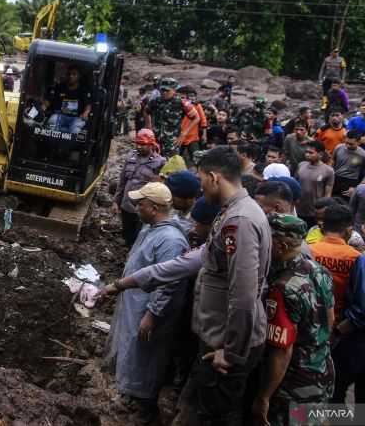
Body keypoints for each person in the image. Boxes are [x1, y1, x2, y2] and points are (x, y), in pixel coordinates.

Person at [106, 146, 272, 425]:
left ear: (215, 177)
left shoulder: (240, 221)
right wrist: (127, 282)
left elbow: (244, 295)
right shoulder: (232, 212)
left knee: (216, 415)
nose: (199, 188)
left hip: (225, 345)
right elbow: (192, 260)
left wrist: (230, 352)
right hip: (218, 338)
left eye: (201, 179)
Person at [105, 182, 188, 424]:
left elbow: (169, 284)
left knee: (146, 357)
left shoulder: (170, 240)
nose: (135, 207)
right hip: (135, 305)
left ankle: (144, 406)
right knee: (133, 352)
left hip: (146, 310)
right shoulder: (151, 228)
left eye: (140, 204)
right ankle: (132, 393)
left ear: (153, 208)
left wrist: (152, 314)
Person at [251, 214, 335, 426]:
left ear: (280, 245)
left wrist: (264, 397)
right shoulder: (319, 270)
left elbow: (281, 351)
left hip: (293, 384)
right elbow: (330, 318)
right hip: (322, 368)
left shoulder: (282, 287)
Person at [114, 130, 166, 247]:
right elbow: (122, 181)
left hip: (143, 207)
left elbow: (161, 188)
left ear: (151, 145)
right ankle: (127, 244)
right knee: (127, 229)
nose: (139, 147)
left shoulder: (160, 162)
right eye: (137, 144)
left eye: (143, 144)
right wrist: (116, 201)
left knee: (140, 235)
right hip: (126, 203)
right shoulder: (131, 157)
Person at [310, 204, 361, 321]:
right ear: (349, 230)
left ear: (322, 226)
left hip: (309, 322)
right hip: (340, 322)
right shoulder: (355, 257)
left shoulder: (308, 251)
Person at [330, 253, 365, 403]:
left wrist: (338, 331)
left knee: (336, 393)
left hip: (355, 341)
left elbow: (362, 310)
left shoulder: (363, 261)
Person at [144, 77, 198, 157]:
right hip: (155, 140)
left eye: (167, 90)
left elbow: (196, 118)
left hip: (172, 142)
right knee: (154, 163)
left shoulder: (182, 103)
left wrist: (184, 134)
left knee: (170, 166)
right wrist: (149, 126)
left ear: (174, 90)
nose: (164, 93)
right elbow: (146, 111)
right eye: (162, 90)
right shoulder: (155, 101)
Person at [295, 141, 334, 227]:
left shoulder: (328, 171)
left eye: (311, 153)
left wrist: (323, 212)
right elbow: (295, 185)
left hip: (315, 212)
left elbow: (328, 194)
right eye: (306, 152)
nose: (307, 154)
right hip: (298, 209)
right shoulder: (301, 165)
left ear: (320, 154)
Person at [45, 66, 93, 134]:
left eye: (74, 74)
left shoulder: (84, 90)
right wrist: (42, 108)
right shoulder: (59, 87)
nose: (71, 76)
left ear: (79, 76)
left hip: (76, 118)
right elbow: (48, 100)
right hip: (59, 116)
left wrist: (86, 113)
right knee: (51, 122)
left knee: (76, 130)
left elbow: (88, 105)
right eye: (69, 74)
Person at [176, 86, 207, 166]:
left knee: (196, 156)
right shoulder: (179, 106)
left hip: (192, 136)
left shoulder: (197, 106)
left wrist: (204, 134)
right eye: (189, 96)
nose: (191, 98)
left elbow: (203, 121)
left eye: (193, 96)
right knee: (176, 156)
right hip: (180, 136)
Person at [331, 130, 365, 197]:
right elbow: (332, 162)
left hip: (350, 182)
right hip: (335, 179)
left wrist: (357, 188)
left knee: (345, 206)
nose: (347, 146)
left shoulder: (363, 154)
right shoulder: (339, 147)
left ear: (359, 142)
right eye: (346, 143)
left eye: (351, 144)